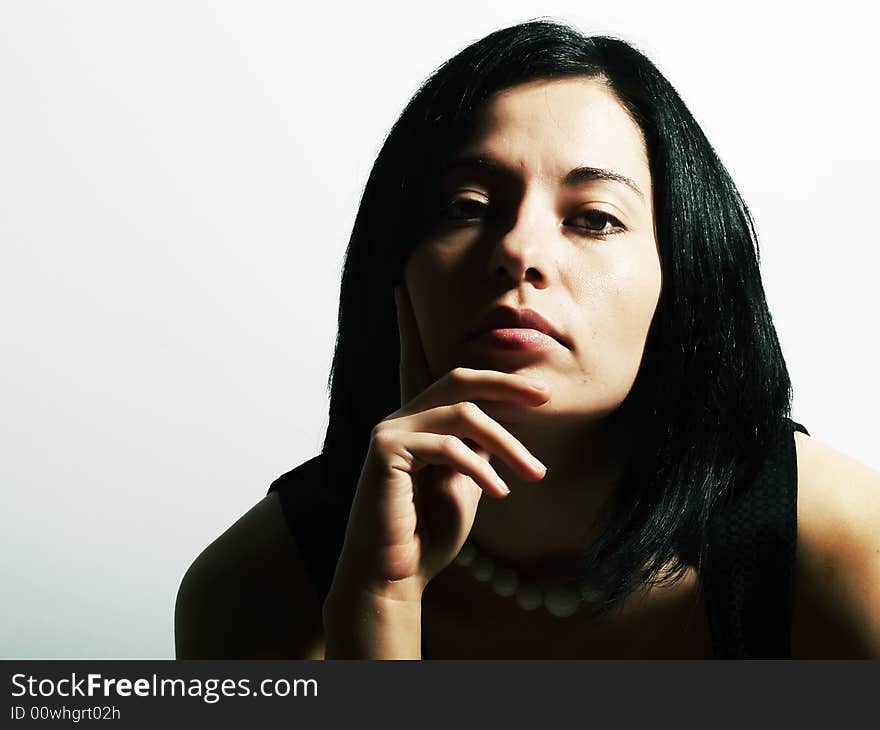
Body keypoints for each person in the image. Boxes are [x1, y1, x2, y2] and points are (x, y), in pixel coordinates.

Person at [174, 19, 880, 659]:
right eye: (467, 207)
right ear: (395, 269)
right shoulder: (255, 584)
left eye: (595, 218)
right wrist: (380, 600)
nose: (519, 250)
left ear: (684, 272)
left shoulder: (840, 540)